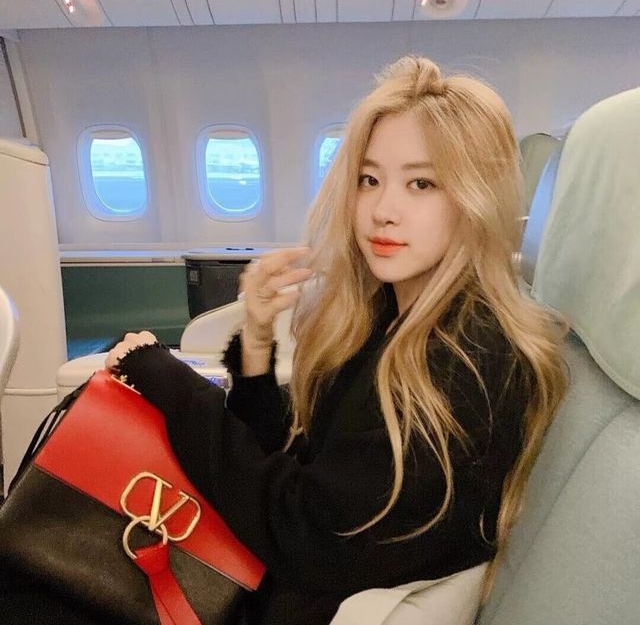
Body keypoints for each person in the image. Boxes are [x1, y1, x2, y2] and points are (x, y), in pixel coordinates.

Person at [0, 55, 567, 625]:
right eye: (369, 179)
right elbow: (286, 457)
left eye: (421, 183)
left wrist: (172, 385)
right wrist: (256, 341)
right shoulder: (392, 320)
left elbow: (306, 533)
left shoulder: (470, 357)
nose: (382, 211)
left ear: (474, 196)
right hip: (267, 574)